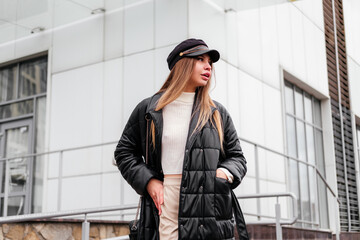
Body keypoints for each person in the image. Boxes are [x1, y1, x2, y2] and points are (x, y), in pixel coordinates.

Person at [114, 38, 248, 240]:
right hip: (166, 200)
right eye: (200, 59)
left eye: (209, 62)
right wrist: (149, 181)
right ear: (183, 64)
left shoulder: (216, 112)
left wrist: (223, 174)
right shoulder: (150, 110)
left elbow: (237, 158)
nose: (208, 66)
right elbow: (124, 152)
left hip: (209, 202)